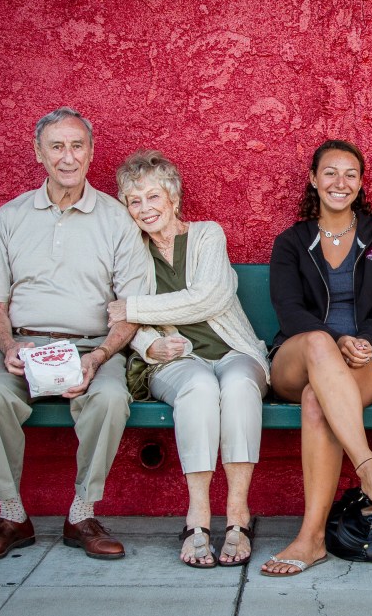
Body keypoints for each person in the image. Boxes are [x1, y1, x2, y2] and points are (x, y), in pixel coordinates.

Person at [0, 107, 151, 561]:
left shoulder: (116, 218)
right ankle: (12, 516)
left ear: (91, 152)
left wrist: (101, 354)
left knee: (109, 398)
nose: (68, 157)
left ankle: (81, 515)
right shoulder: (10, 217)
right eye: (56, 146)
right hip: (23, 346)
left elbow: (129, 309)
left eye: (77, 146)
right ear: (39, 153)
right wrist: (9, 347)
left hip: (91, 347)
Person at [106, 150, 269, 568]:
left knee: (236, 385)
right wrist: (145, 346)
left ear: (173, 199)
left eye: (153, 196)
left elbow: (209, 297)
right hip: (175, 363)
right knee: (199, 387)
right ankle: (197, 515)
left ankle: (237, 515)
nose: (145, 208)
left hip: (235, 352)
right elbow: (110, 310)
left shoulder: (207, 235)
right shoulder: (130, 252)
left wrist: (134, 309)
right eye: (134, 201)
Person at [260, 140, 372, 577]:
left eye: (350, 174)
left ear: (361, 182)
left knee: (317, 401)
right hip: (298, 356)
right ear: (313, 179)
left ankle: (310, 539)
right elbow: (290, 311)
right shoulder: (291, 241)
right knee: (317, 345)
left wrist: (363, 340)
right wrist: (335, 339)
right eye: (330, 172)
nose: (339, 182)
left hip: (363, 360)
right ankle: (369, 469)